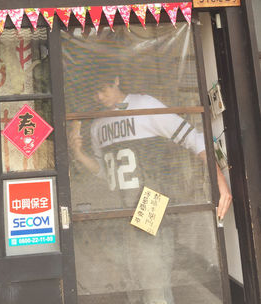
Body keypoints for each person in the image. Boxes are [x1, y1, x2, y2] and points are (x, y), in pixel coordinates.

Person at [70, 76, 232, 304]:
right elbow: (106, 172)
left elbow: (193, 139)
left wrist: (220, 183)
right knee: (134, 279)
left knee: (153, 277)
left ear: (116, 81)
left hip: (151, 199)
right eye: (94, 93)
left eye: (103, 89)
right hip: (122, 208)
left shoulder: (144, 106)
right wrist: (79, 154)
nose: (99, 97)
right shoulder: (98, 124)